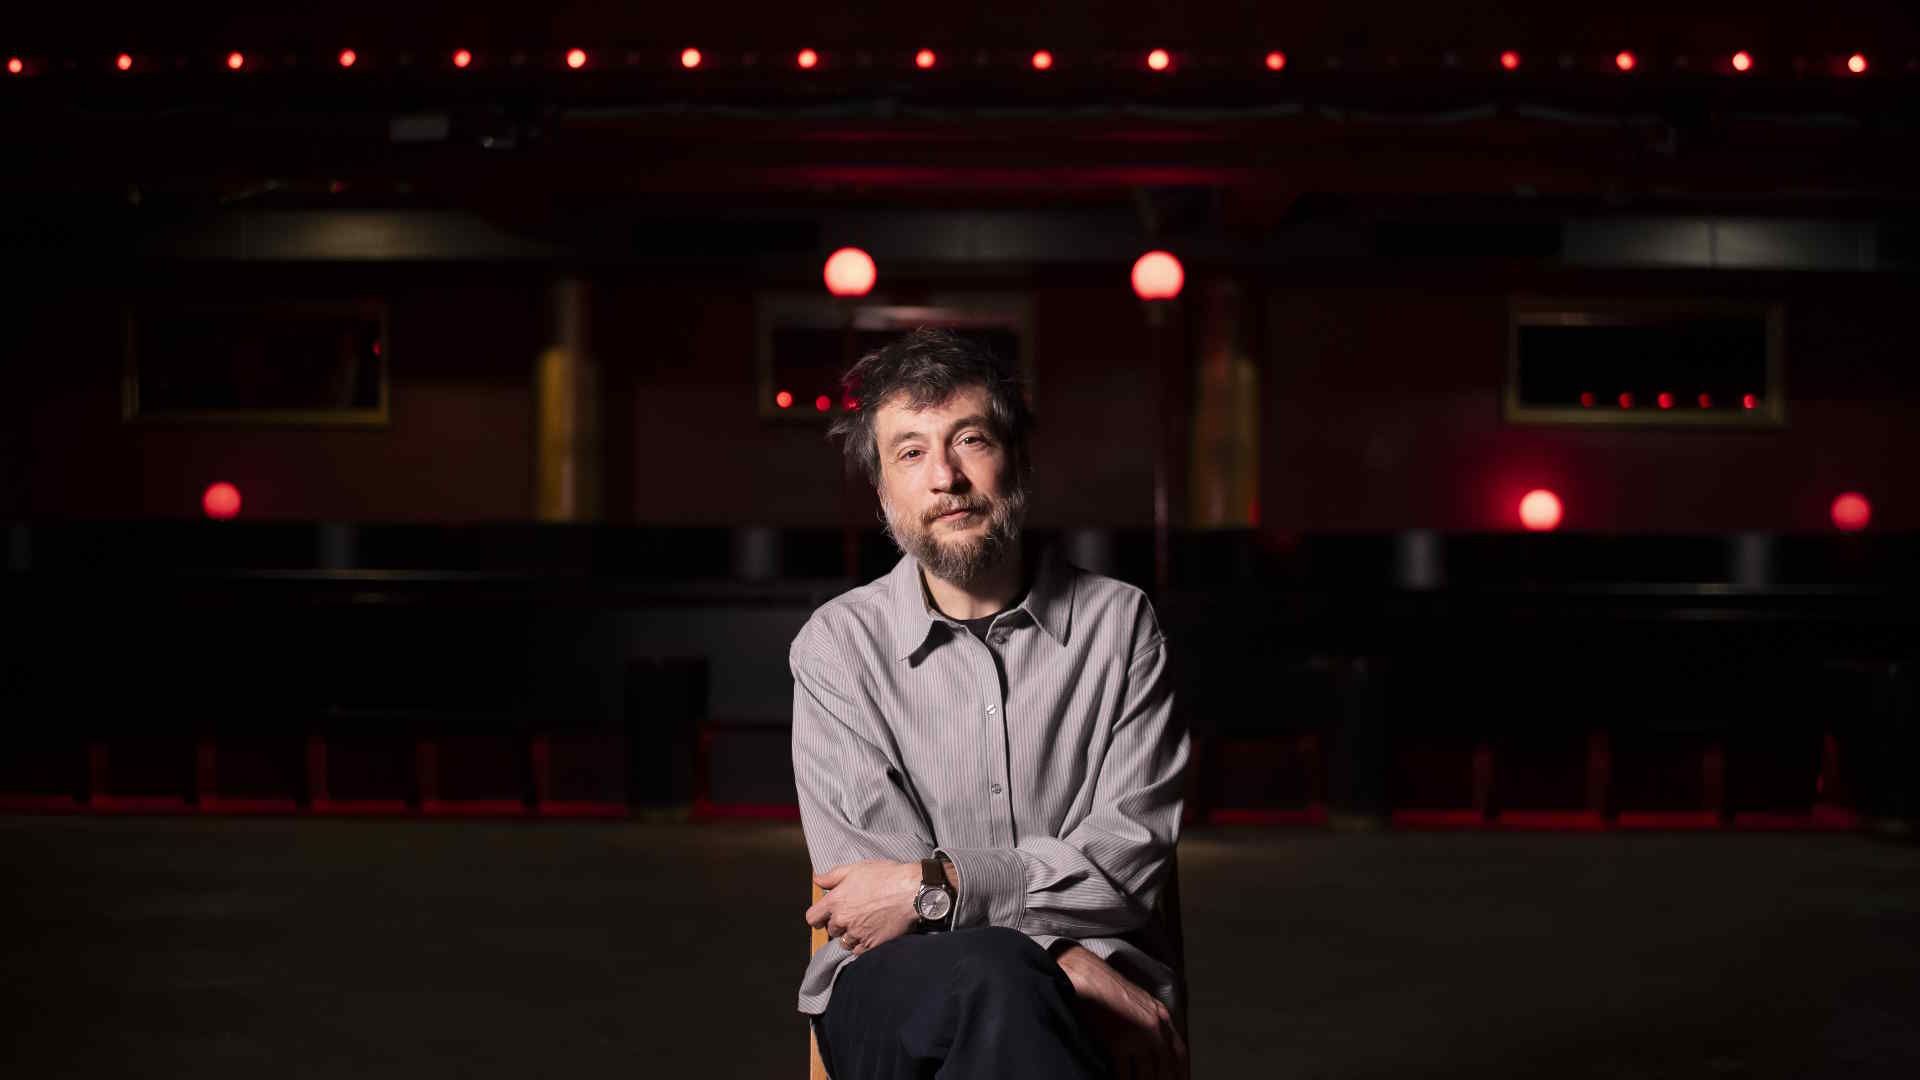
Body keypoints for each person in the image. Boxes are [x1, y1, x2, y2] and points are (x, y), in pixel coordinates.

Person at [789, 327, 1192, 1080]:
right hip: (898, 992)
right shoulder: (837, 647)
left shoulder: (1121, 627)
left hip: (1090, 988)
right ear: (882, 491)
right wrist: (1054, 954)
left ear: (1020, 460)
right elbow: (869, 900)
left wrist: (937, 887)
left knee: (1007, 993)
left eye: (970, 440)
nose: (945, 477)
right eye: (911, 452)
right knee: (1000, 981)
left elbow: (1127, 858)